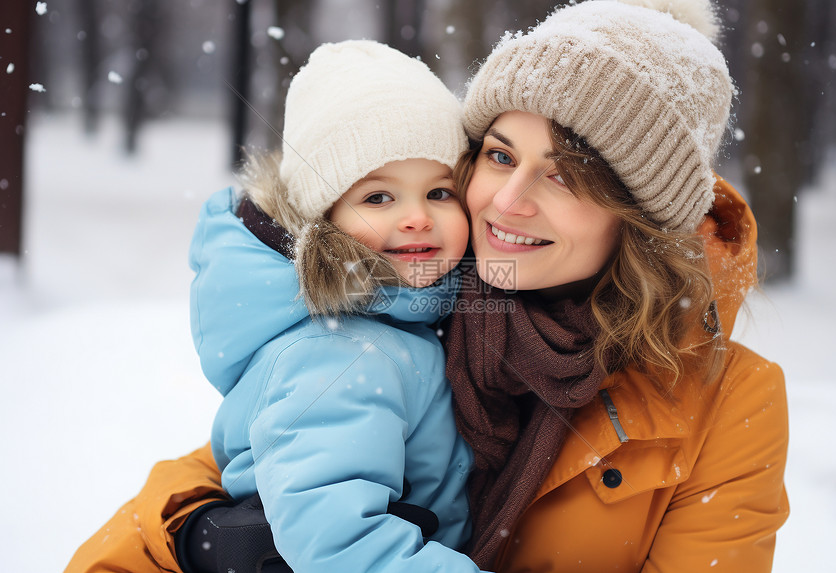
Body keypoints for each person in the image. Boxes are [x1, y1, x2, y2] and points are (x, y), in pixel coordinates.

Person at [66, 1, 789, 572]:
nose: (507, 201)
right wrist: (197, 533)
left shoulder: (727, 406)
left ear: (639, 218)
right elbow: (206, 484)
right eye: (500, 154)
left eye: (567, 175)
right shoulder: (416, 303)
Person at [66, 39, 493, 573]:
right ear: (323, 218)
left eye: (439, 192)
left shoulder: (397, 323)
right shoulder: (338, 353)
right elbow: (339, 543)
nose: (416, 217)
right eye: (378, 197)